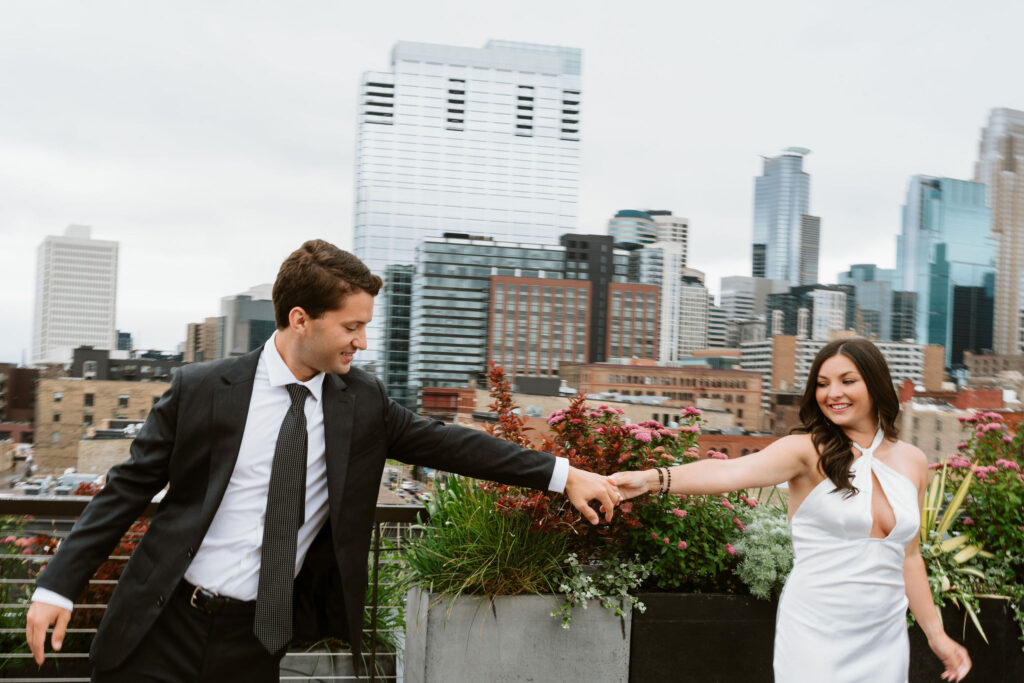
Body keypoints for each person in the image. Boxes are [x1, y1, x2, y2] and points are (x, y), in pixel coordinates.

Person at [26, 240, 620, 682]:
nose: (361, 342)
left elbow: (452, 445)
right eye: (352, 326)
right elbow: (125, 490)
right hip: (158, 625)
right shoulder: (203, 388)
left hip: (255, 639)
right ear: (300, 319)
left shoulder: (361, 404)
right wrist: (57, 585)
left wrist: (564, 475)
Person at [611, 337, 971, 683]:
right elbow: (728, 472)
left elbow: (909, 557)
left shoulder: (914, 461)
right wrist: (651, 480)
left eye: (848, 381)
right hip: (815, 631)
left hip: (884, 637)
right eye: (822, 383)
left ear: (875, 385)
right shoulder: (806, 450)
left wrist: (936, 635)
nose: (833, 394)